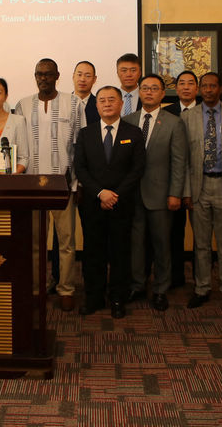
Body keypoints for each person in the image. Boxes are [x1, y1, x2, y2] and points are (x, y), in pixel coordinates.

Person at [15, 59, 84, 311]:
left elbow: (81, 145)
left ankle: (66, 289)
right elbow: (17, 145)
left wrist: (78, 182)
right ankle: (36, 288)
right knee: (35, 242)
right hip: (32, 185)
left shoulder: (74, 103)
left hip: (63, 183)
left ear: (57, 75)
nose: (43, 78)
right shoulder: (22, 105)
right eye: (39, 74)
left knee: (66, 241)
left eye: (48, 74)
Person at [74, 86, 145, 318]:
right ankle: (93, 297)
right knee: (93, 252)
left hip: (121, 204)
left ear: (121, 104)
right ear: (96, 106)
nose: (106, 104)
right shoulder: (86, 133)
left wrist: (115, 195)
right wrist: (100, 193)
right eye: (102, 100)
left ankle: (117, 298)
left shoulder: (134, 133)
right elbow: (80, 168)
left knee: (120, 253)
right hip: (93, 203)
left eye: (111, 100)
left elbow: (137, 169)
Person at [124, 74, 187, 311]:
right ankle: (138, 285)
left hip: (161, 195)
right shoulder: (128, 120)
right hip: (133, 195)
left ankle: (161, 288)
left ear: (162, 93)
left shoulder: (174, 123)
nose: (149, 92)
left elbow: (179, 162)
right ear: (139, 92)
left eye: (154, 88)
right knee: (136, 244)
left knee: (162, 245)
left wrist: (175, 193)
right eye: (145, 88)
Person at [181, 72, 222, 313]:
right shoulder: (188, 117)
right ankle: (202, 288)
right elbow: (184, 158)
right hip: (199, 187)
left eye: (212, 86)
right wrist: (186, 191)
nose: (208, 90)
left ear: (220, 88)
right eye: (204, 86)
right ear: (199, 89)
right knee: (201, 244)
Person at [165, 70, 202, 288]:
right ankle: (175, 276)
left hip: (200, 182)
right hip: (174, 182)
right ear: (176, 88)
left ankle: (201, 279)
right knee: (174, 233)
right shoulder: (167, 112)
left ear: (197, 88)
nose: (186, 87)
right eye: (182, 83)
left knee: (201, 236)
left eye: (190, 83)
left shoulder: (206, 110)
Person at [73, 60, 100, 125]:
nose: (82, 79)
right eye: (79, 75)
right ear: (73, 76)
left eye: (88, 76)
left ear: (94, 79)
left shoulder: (100, 105)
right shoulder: (64, 102)